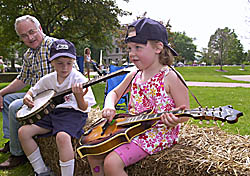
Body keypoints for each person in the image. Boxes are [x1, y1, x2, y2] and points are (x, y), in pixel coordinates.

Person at [87, 18, 190, 176]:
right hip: (131, 128)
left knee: (111, 163)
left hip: (157, 133)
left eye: (138, 47)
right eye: (129, 48)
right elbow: (114, 93)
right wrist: (109, 106)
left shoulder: (171, 77)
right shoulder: (134, 74)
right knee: (93, 152)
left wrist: (175, 119)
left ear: (158, 47)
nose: (132, 54)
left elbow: (185, 113)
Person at [0, 15, 77, 169]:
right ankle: (13, 142)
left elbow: (72, 72)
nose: (29, 37)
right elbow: (22, 79)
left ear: (40, 28)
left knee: (16, 106)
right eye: (24, 35)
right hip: (36, 94)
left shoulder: (55, 45)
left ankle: (18, 155)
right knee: (8, 99)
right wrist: (0, 92)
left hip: (55, 97)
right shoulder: (28, 54)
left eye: (32, 32)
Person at [18, 39, 96, 176]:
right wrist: (28, 97)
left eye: (69, 63)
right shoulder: (49, 79)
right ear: (51, 62)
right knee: (23, 132)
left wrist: (79, 96)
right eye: (59, 63)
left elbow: (84, 108)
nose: (64, 68)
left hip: (74, 113)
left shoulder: (79, 79)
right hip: (53, 113)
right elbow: (33, 90)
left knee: (62, 136)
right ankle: (42, 171)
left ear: (74, 62)